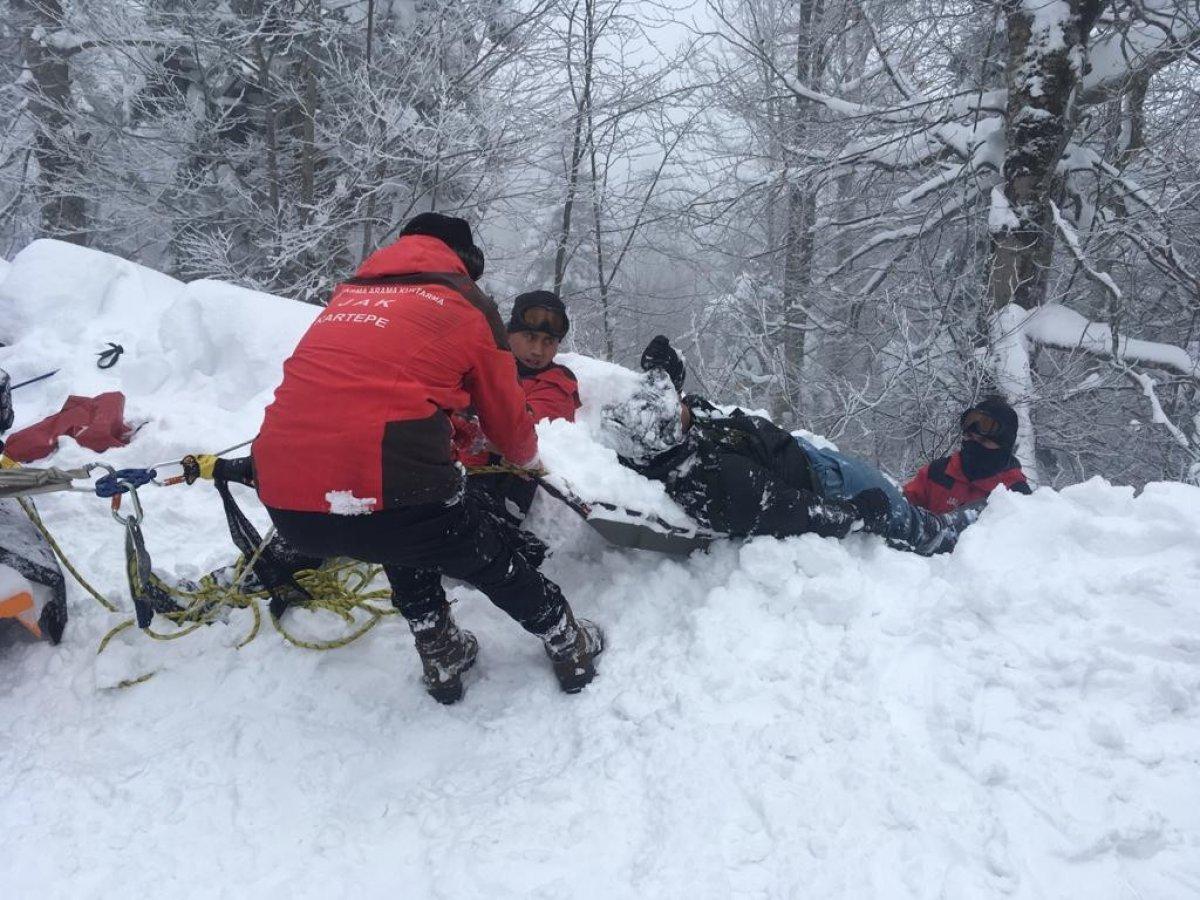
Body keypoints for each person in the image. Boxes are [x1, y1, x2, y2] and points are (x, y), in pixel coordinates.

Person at [252, 213, 603, 703]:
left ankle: (442, 650)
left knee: (397, 529)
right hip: (390, 481)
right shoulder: (465, 302)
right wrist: (524, 458)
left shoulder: (348, 296)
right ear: (464, 262)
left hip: (284, 499)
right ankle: (567, 640)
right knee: (478, 552)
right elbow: (511, 430)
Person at [605, 336, 980, 555]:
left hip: (798, 454)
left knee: (894, 494)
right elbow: (799, 512)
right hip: (829, 483)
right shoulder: (720, 483)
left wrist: (665, 371)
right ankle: (939, 534)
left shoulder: (665, 442)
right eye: (676, 403)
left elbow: (687, 411)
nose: (684, 401)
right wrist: (860, 513)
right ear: (670, 428)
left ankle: (924, 517)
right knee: (898, 512)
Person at [904, 397, 1031, 513]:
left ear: (1003, 447)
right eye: (969, 436)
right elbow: (905, 507)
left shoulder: (1016, 494)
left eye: (983, 441)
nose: (973, 445)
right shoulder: (938, 473)